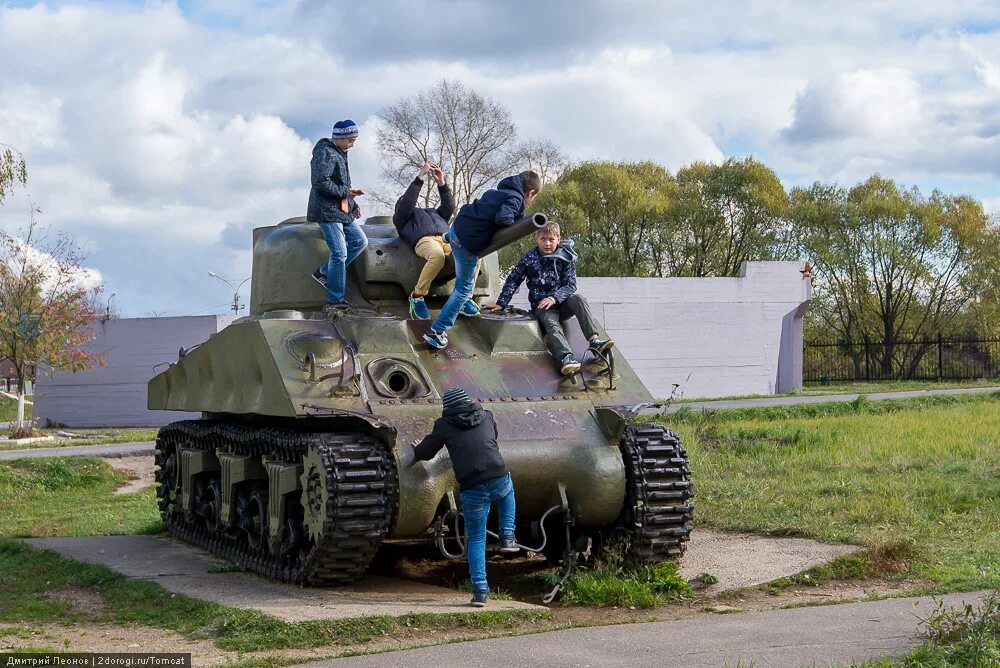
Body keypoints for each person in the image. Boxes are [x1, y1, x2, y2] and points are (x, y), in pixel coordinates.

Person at [411, 387, 518, 607]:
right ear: (468, 401)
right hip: (497, 475)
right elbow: (492, 437)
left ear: (447, 408)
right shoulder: (486, 415)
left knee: (477, 539)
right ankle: (508, 536)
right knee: (508, 491)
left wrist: (417, 448)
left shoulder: (444, 425)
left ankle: (480, 592)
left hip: (472, 487)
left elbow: (426, 452)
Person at [423, 170, 543, 349]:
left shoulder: (501, 191)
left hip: (457, 230)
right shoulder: (516, 199)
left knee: (454, 240)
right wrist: (513, 219)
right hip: (467, 245)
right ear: (531, 193)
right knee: (464, 288)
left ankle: (446, 237)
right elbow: (503, 218)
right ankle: (436, 331)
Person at [486, 221, 613, 375]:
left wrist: (554, 297)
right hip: (542, 306)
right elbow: (513, 279)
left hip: (562, 302)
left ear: (558, 240)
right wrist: (501, 303)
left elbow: (571, 285)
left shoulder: (566, 257)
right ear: (536, 239)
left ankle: (594, 342)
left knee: (579, 299)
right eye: (543, 239)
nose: (547, 243)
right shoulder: (529, 258)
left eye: (551, 240)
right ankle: (566, 356)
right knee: (551, 323)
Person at [392, 161, 480, 320]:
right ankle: (417, 295)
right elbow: (407, 203)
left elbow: (449, 206)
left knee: (474, 252)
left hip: (447, 238)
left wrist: (441, 183)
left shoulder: (434, 213)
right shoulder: (402, 218)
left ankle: (464, 297)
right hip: (424, 240)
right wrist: (420, 177)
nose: (415, 202)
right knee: (437, 256)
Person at [307, 119, 368, 307]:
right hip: (327, 211)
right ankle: (335, 299)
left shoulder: (341, 153)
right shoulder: (325, 152)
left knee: (360, 241)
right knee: (339, 253)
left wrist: (353, 204)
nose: (353, 144)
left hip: (341, 209)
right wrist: (346, 193)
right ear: (340, 138)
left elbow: (342, 185)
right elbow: (320, 182)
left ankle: (324, 271)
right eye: (350, 140)